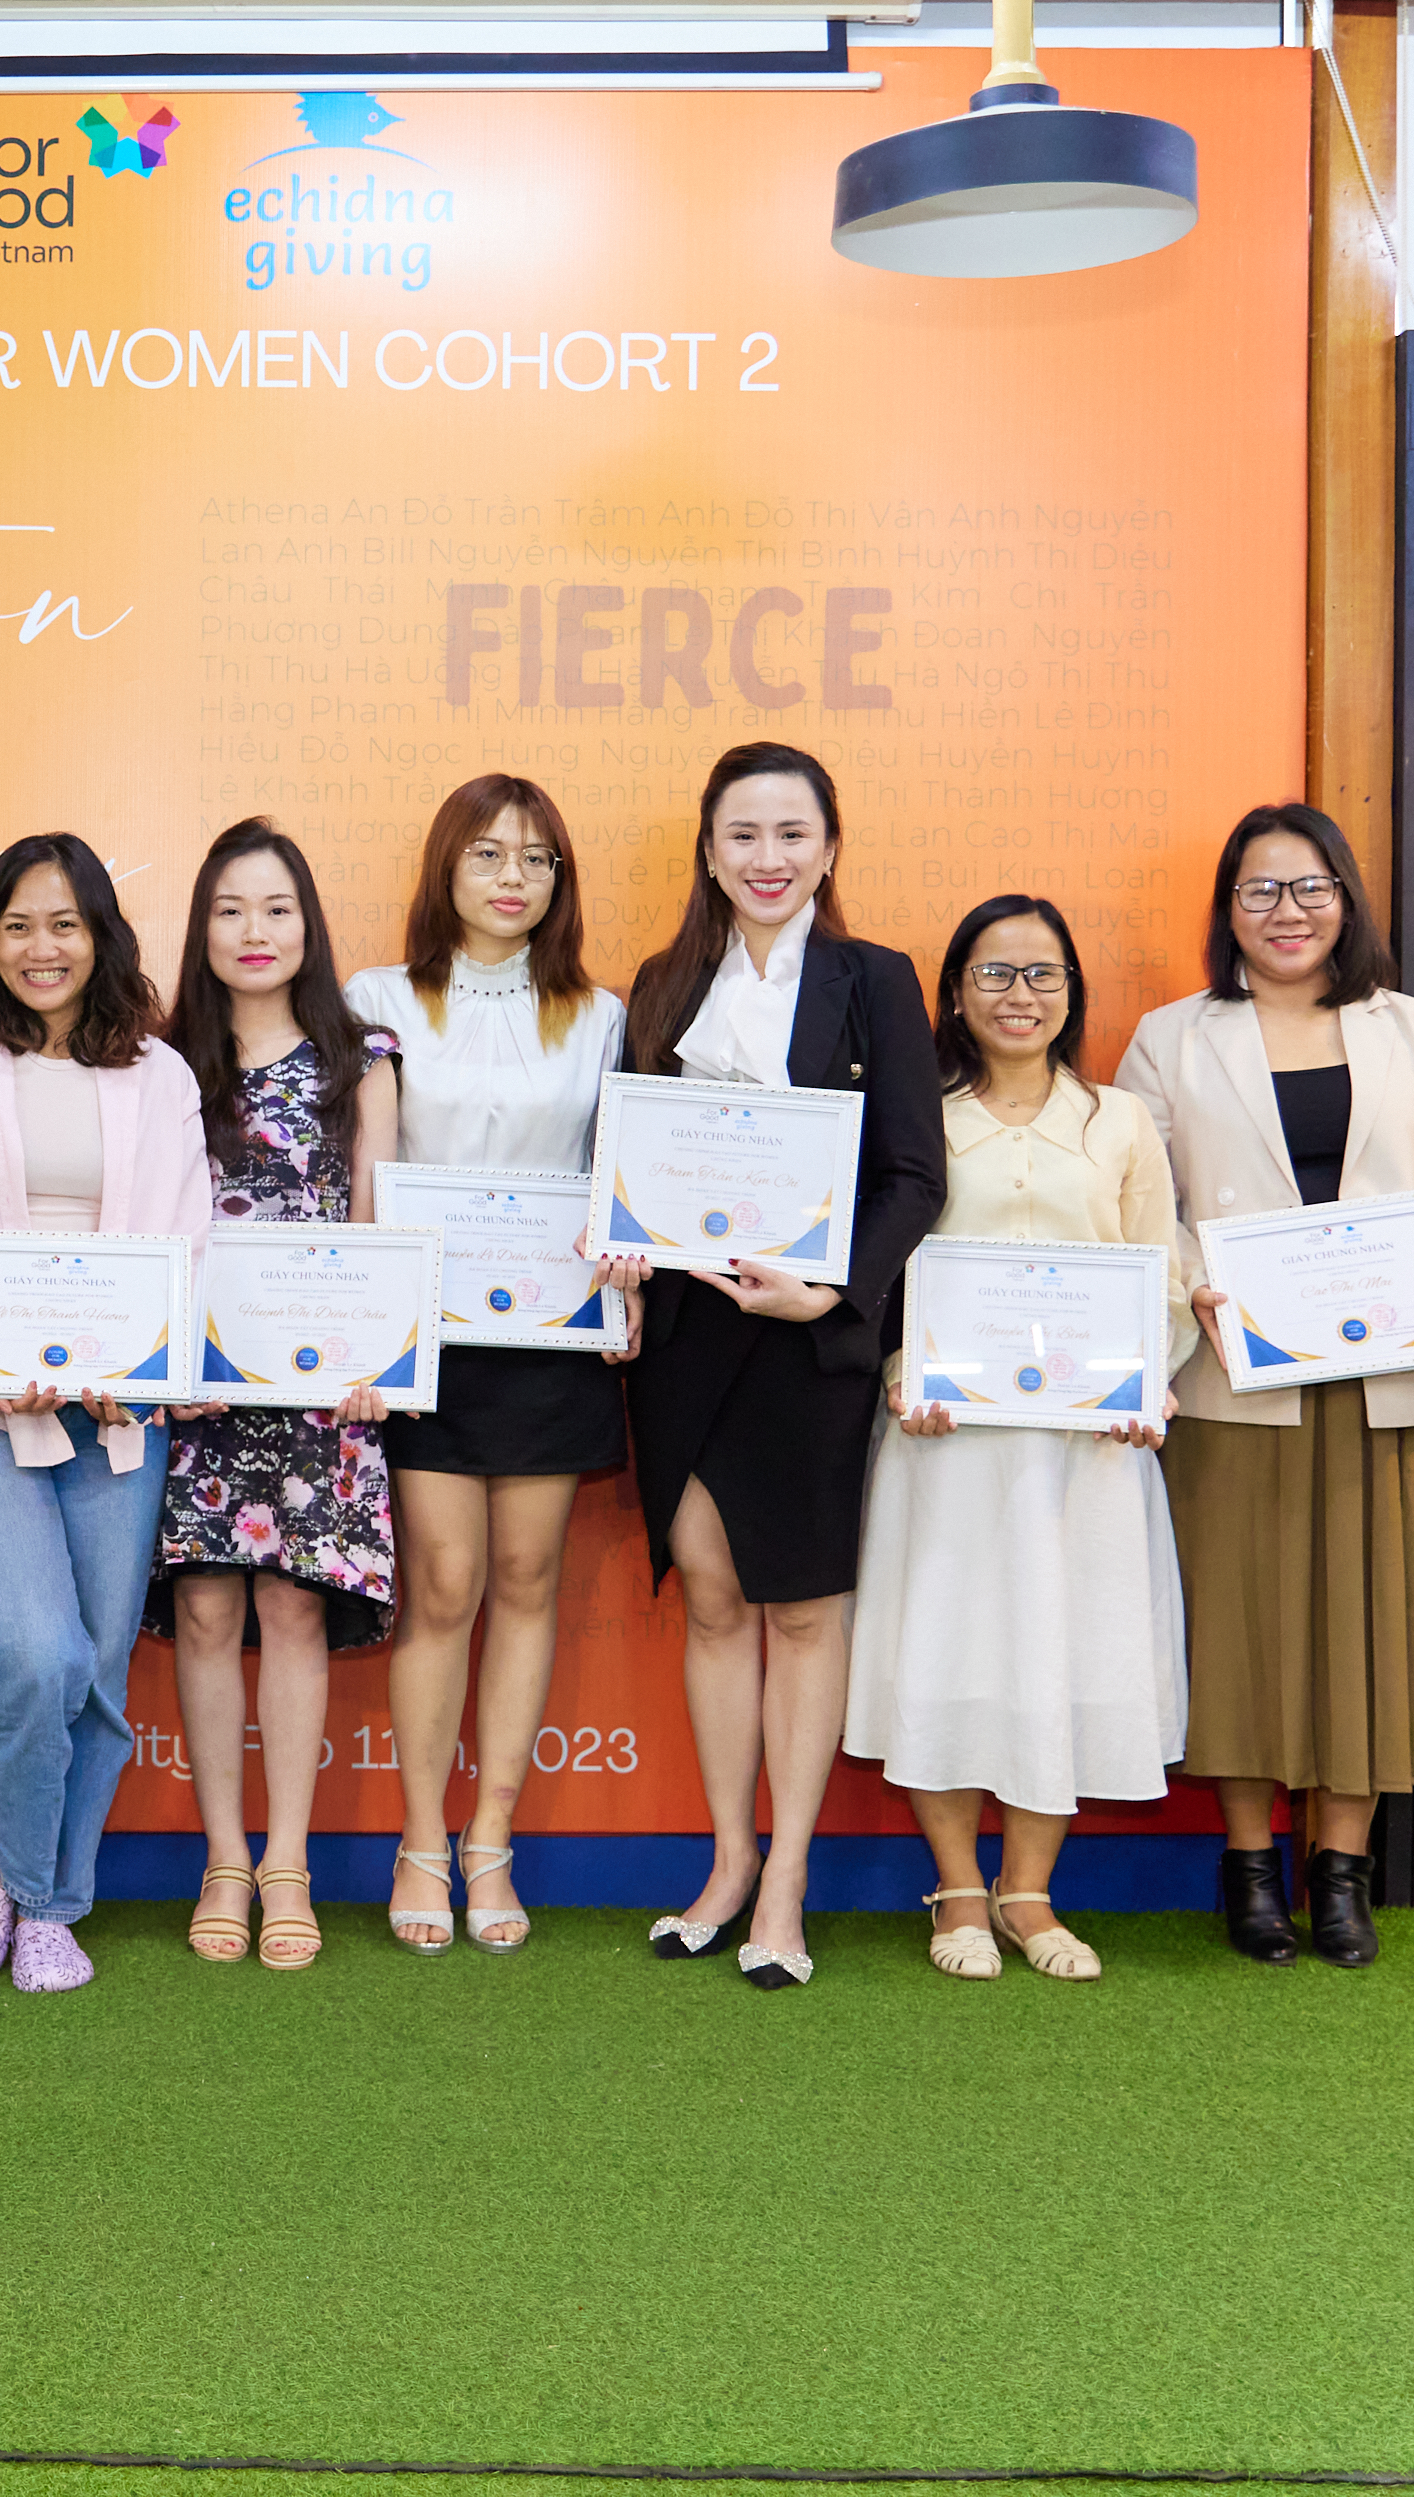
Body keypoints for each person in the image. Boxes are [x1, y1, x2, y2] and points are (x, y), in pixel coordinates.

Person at [1118, 804, 1414, 1969]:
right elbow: (1148, 1212)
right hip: (1240, 1384)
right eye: (1259, 892)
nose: (1285, 914)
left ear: (1345, 900)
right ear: (1226, 909)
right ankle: (1250, 1870)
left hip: (1391, 1380)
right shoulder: (1173, 1039)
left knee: (1372, 1625)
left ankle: (1338, 1876)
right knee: (1241, 1622)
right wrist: (1197, 1284)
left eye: (1308, 890)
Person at [619, 742, 947, 1989]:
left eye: (792, 834)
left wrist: (834, 1293)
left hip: (809, 1343)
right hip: (691, 1347)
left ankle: (791, 1880)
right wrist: (626, 1247)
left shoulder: (876, 981)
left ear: (830, 847)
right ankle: (727, 1859)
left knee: (804, 1610)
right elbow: (629, 1164)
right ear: (709, 850)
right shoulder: (660, 985)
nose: (769, 859)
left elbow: (917, 1177)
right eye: (743, 835)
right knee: (709, 1598)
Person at [843, 894, 1190, 1983]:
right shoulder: (919, 1118)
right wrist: (904, 1376)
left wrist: (1150, 1381)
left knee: (1065, 1651)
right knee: (945, 1649)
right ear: (954, 993)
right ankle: (955, 1887)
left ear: (1073, 995)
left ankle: (1030, 1893)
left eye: (1043, 975)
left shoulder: (1119, 1122)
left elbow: (1160, 1266)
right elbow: (885, 1272)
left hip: (1085, 1450)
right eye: (995, 974)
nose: (1020, 995)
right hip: (947, 1438)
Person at [0, 831, 215, 1995]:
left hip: (120, 1406)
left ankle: (32, 1894)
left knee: (95, 1669)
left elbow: (186, 1236)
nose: (43, 947)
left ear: (102, 938)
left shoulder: (160, 1074)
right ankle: (26, 1877)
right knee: (31, 1650)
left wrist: (118, 1365)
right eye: (19, 924)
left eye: (65, 924)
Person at [340, 777, 634, 1955]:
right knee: (446, 1584)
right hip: (431, 1337)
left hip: (551, 1340)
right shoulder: (379, 998)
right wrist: (366, 1318)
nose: (513, 878)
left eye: (537, 859)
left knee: (525, 1578)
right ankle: (420, 1840)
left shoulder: (601, 1012)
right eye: (486, 854)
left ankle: (491, 1843)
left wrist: (628, 1267)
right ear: (443, 870)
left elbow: (620, 1170)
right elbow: (370, 1171)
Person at [155, 819, 398, 1973]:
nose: (255, 933)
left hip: (321, 1394)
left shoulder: (365, 1059)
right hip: (198, 1391)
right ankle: (221, 1857)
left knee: (295, 1608)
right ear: (201, 930)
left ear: (309, 924)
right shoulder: (157, 1065)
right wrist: (163, 1360)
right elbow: (147, 1235)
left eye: (277, 909)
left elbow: (376, 1227)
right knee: (205, 1614)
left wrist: (374, 1364)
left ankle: (288, 1860)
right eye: (229, 911)